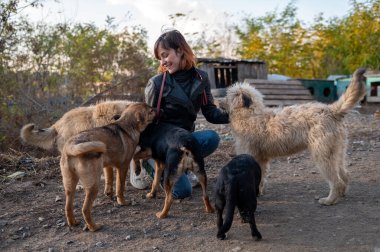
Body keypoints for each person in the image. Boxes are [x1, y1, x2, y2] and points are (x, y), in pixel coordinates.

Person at [130, 29, 229, 199]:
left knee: (212, 138)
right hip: (160, 146)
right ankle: (148, 165)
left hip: (182, 140)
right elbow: (146, 124)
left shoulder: (201, 78)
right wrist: (141, 152)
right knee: (182, 192)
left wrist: (235, 115)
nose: (163, 62)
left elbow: (210, 112)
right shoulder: (156, 84)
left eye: (165, 55)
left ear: (180, 50)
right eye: (160, 58)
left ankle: (181, 166)